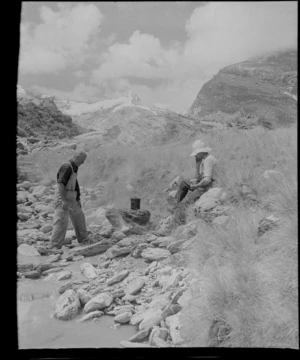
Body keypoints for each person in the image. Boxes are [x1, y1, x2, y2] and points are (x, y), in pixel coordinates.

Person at [49, 151, 90, 250]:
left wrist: (78, 199)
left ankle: (84, 240)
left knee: (79, 216)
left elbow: (75, 184)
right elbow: (61, 184)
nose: (83, 163)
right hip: (63, 197)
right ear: (77, 158)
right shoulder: (67, 166)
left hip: (72, 197)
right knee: (61, 221)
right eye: (82, 160)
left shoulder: (74, 167)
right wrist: (63, 200)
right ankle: (54, 246)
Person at [174, 139, 217, 209]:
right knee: (184, 183)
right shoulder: (204, 160)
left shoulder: (208, 160)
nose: (195, 156)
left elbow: (207, 180)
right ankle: (175, 204)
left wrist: (196, 186)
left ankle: (179, 208)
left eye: (196, 154)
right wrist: (197, 165)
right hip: (203, 184)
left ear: (201, 152)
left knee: (186, 202)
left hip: (206, 187)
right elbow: (198, 177)